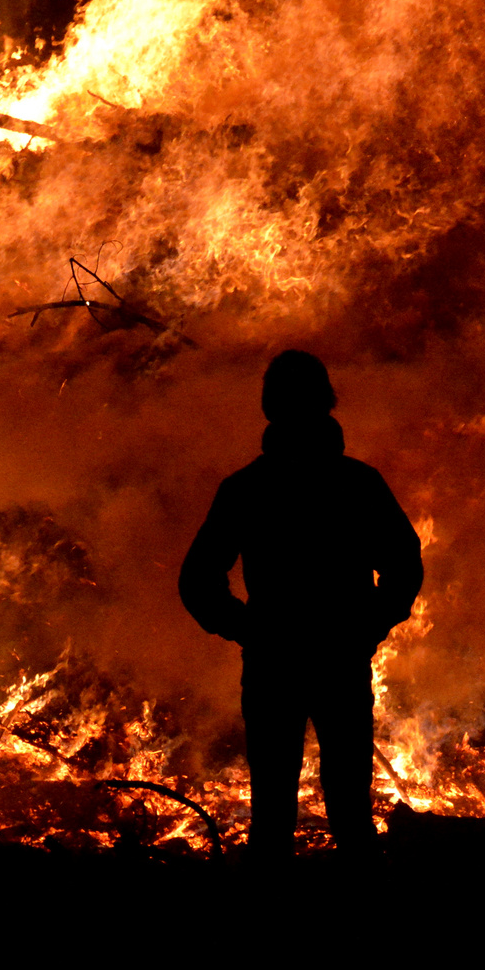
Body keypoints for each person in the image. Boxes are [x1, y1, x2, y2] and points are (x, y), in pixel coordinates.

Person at [179, 350, 423, 860]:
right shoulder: (357, 484)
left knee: (274, 817)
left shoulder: (248, 488)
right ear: (326, 404)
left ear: (270, 408)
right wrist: (368, 627)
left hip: (277, 664)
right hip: (335, 660)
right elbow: (403, 567)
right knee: (350, 815)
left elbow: (198, 580)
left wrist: (246, 628)